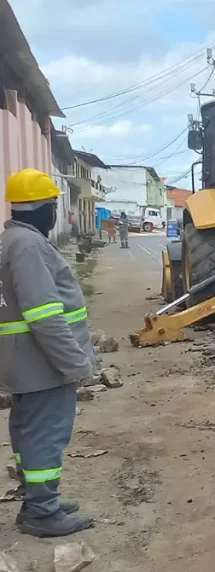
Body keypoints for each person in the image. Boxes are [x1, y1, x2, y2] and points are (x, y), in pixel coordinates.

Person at [0, 169, 94, 537]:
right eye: (54, 205)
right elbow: (43, 313)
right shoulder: (29, 246)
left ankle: (36, 499)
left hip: (22, 358)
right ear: (43, 208)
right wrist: (75, 363)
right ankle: (43, 510)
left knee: (27, 429)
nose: (56, 212)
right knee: (46, 432)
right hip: (42, 361)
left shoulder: (12, 240)